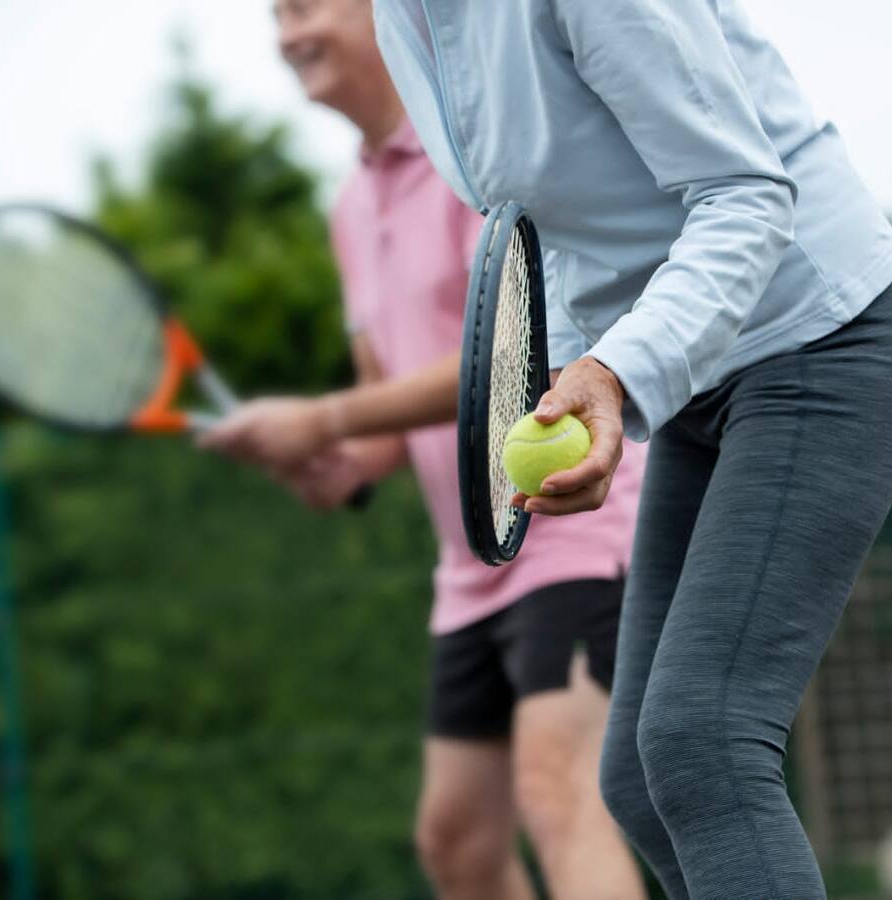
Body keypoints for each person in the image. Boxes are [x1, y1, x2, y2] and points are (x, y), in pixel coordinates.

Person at [354, 2, 892, 898]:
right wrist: (574, 376)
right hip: (705, 381)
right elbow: (551, 229)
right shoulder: (411, 17)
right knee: (636, 776)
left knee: (701, 740)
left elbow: (747, 195)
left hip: (823, 336)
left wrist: (617, 372)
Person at [201, 2, 649, 898]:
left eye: (304, 7)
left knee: (560, 794)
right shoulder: (348, 209)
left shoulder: (476, 154)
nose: (287, 35)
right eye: (276, 16)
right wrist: (337, 461)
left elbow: (520, 352)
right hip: (468, 572)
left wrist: (322, 418)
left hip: (571, 527)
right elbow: (389, 410)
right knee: (456, 840)